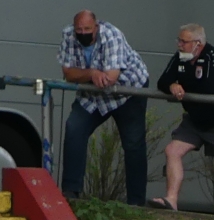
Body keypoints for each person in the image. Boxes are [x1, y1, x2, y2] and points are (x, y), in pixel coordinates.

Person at [58, 10, 150, 206]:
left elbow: (110, 77)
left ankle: (136, 203)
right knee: (74, 128)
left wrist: (85, 74)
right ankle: (70, 193)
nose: (83, 33)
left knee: (133, 144)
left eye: (87, 29)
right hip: (92, 92)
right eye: (79, 30)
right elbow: (67, 73)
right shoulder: (68, 35)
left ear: (96, 27)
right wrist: (92, 73)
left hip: (127, 91)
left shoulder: (112, 35)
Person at [154, 23, 214, 217]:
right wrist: (172, 85)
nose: (179, 45)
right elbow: (162, 81)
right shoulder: (180, 57)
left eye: (184, 42)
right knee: (172, 150)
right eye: (179, 40)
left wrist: (183, 84)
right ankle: (171, 200)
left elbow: (211, 87)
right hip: (194, 120)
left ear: (198, 44)